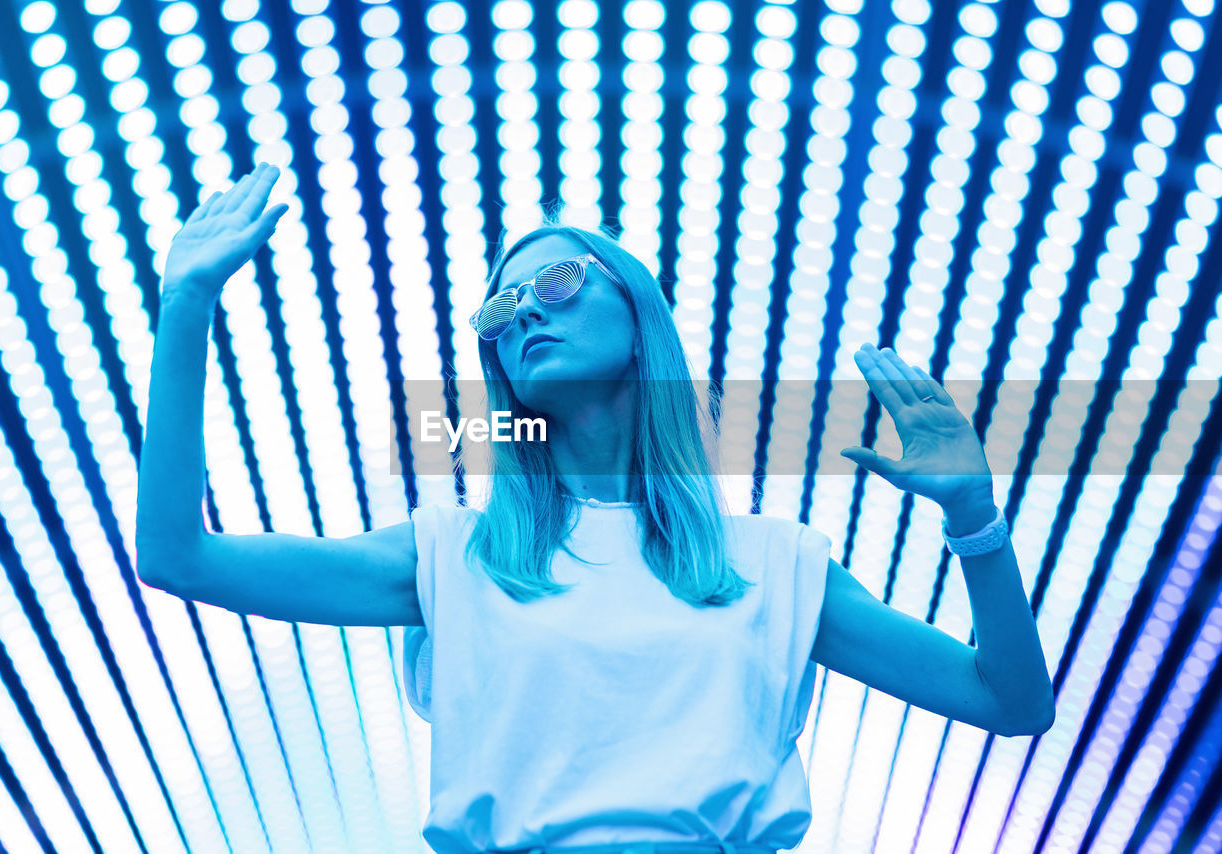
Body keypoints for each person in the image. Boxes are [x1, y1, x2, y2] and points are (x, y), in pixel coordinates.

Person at [136, 163, 1055, 854]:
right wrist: (186, 304)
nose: (525, 313)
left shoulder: (775, 562)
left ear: (637, 311)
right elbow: (179, 554)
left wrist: (975, 520)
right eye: (501, 310)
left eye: (560, 286)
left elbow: (1008, 702)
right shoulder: (452, 555)